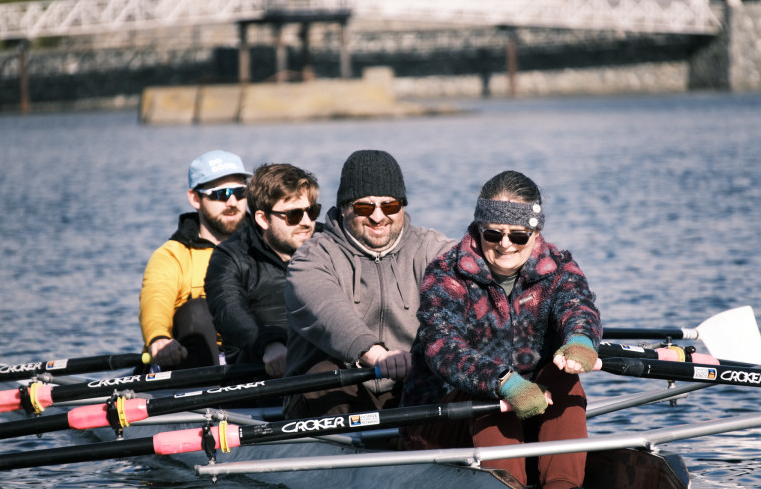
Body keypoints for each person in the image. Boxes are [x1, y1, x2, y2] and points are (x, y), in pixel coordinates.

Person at [402, 170, 602, 489]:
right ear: (479, 228)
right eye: (493, 234)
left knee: (564, 375)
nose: (505, 244)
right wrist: (503, 381)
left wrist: (580, 339)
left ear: (535, 232)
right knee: (491, 386)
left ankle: (563, 483)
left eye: (518, 236)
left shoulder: (559, 268)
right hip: (441, 424)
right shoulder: (446, 274)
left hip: (534, 412)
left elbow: (578, 307)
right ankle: (507, 483)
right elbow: (443, 347)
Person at [283, 149, 456, 419]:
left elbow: (479, 269)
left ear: (402, 206)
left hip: (408, 383)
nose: (378, 217)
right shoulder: (311, 258)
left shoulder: (432, 249)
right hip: (336, 388)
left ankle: (410, 436)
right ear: (344, 208)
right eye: (364, 207)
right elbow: (329, 310)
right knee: (323, 374)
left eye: (389, 206)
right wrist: (375, 355)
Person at [138, 150, 252, 371]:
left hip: (254, 357)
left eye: (240, 192)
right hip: (192, 362)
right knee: (197, 310)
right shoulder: (172, 255)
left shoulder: (264, 245)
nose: (232, 201)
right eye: (220, 194)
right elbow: (156, 297)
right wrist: (159, 337)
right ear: (195, 198)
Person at [205, 163, 321, 377]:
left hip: (321, 365)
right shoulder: (230, 257)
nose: (307, 223)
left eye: (312, 211)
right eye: (294, 215)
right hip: (261, 369)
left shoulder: (327, 243)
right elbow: (228, 310)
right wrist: (268, 343)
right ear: (263, 219)